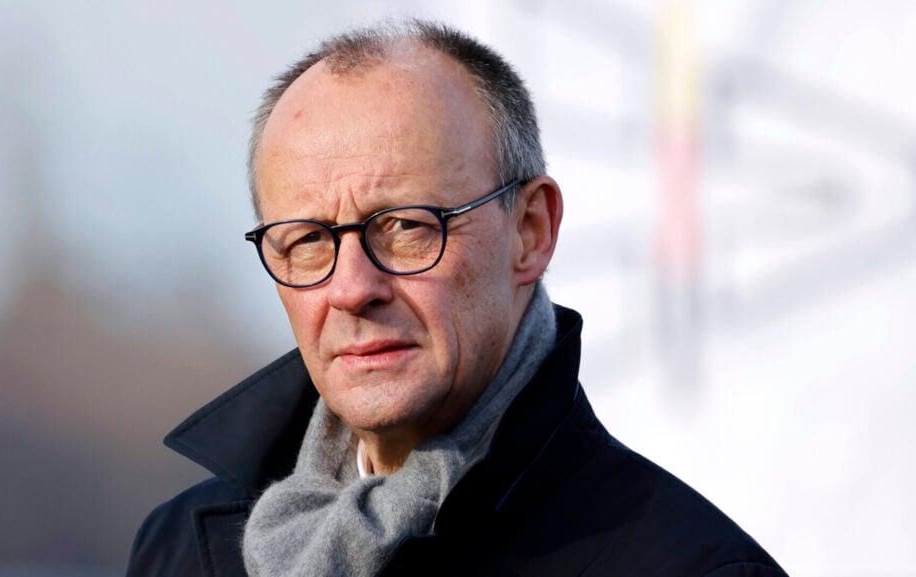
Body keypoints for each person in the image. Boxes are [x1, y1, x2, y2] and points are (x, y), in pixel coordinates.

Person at [126, 20, 787, 577]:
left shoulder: (693, 567)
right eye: (307, 240)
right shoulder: (177, 550)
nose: (352, 288)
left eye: (406, 226)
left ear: (530, 232)